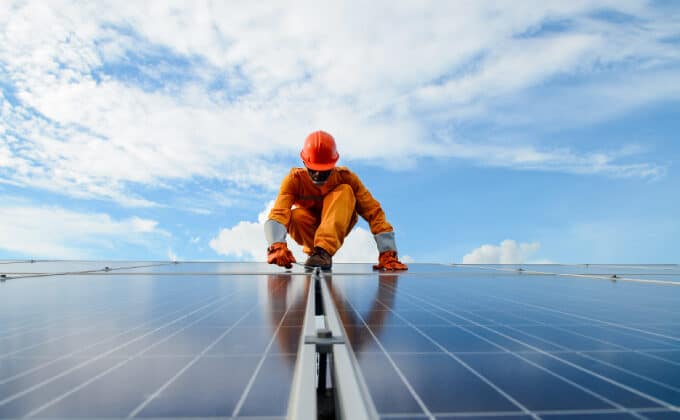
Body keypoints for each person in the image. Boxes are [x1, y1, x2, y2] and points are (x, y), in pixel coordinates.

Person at [264, 130, 408, 271]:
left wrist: (388, 252)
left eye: (324, 169)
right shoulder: (294, 181)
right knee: (295, 216)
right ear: (304, 162)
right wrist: (276, 245)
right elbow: (278, 214)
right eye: (313, 169)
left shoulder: (347, 178)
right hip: (310, 235)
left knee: (345, 190)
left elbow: (374, 212)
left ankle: (323, 252)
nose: (318, 175)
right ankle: (317, 253)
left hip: (339, 221)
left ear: (334, 163)